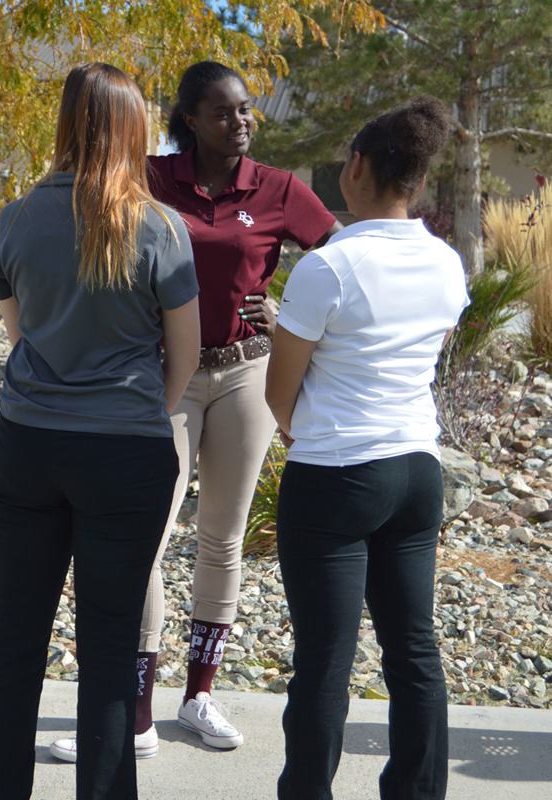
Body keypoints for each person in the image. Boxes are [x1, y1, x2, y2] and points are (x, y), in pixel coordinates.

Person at [50, 60, 341, 763]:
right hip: (164, 379)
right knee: (147, 536)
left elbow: (342, 259)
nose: (240, 122)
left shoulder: (277, 189)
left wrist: (290, 310)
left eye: (245, 111)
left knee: (222, 537)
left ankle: (199, 695)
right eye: (222, 112)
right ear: (188, 121)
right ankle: (138, 711)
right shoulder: (149, 180)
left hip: (247, 375)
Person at [0, 63, 200, 800]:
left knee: (14, 637)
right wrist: (138, 412)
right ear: (133, 129)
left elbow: (19, 331)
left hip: (30, 446)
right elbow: (183, 355)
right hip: (124, 453)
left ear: (66, 123)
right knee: (107, 646)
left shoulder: (16, 217)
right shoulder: (160, 227)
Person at [265, 95, 469, 800]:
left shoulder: (329, 268)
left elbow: (277, 394)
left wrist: (304, 427)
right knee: (414, 651)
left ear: (355, 168)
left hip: (337, 475)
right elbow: (426, 356)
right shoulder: (449, 264)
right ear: (416, 180)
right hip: (417, 470)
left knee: (324, 657)